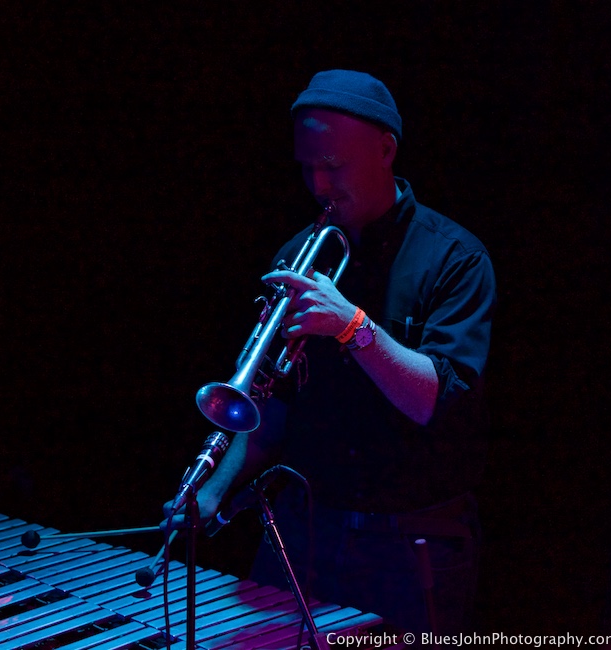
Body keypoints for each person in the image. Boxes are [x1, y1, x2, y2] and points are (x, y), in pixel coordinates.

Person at [169, 69, 496, 636]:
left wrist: (352, 325)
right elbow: (269, 410)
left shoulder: (456, 260)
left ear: (386, 150)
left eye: (334, 166)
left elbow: (434, 403)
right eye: (306, 166)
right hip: (306, 534)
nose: (318, 184)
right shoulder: (300, 255)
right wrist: (210, 495)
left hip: (410, 547)